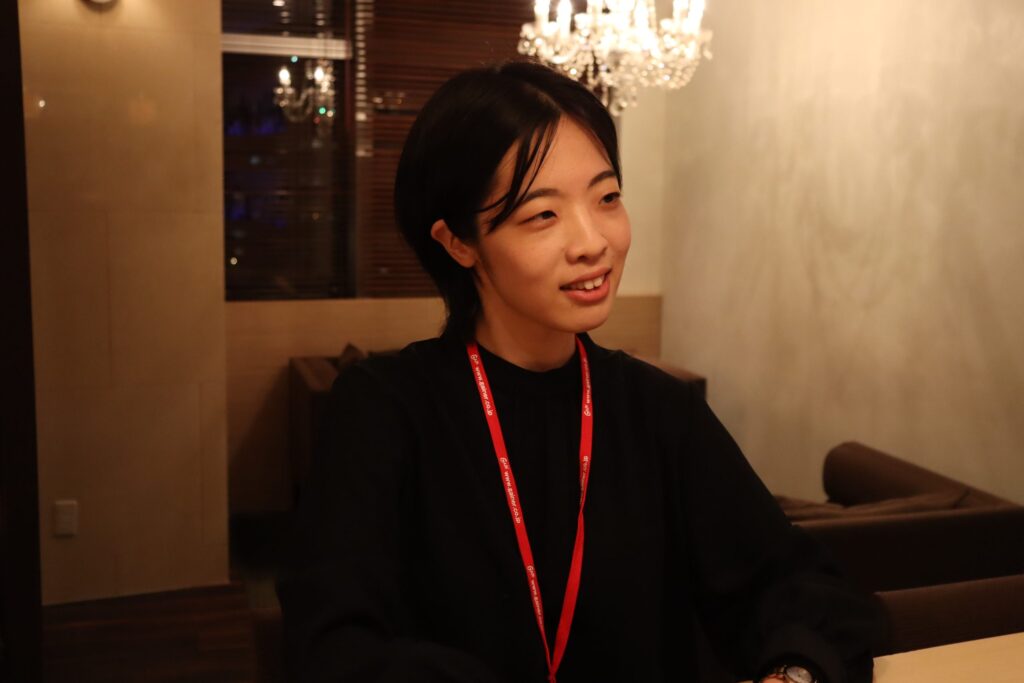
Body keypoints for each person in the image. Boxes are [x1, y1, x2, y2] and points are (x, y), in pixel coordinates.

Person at [278, 61, 880, 683]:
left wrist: (793, 673)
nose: (593, 242)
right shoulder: (384, 410)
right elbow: (332, 644)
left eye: (607, 198)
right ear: (459, 242)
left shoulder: (656, 409)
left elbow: (797, 587)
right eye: (543, 215)